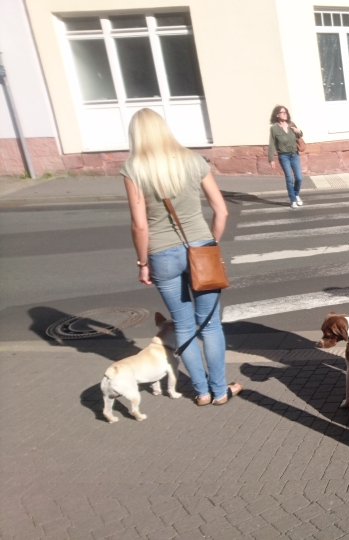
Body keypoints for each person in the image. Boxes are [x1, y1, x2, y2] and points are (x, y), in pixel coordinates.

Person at [122, 109, 242, 406]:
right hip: (200, 248)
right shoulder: (193, 160)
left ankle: (200, 392)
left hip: (161, 254)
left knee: (184, 325)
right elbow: (222, 210)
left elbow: (139, 224)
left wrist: (142, 262)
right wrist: (211, 243)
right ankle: (219, 391)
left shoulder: (133, 168)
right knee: (210, 325)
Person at [267, 105, 305, 210]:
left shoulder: (291, 125)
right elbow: (272, 144)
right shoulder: (274, 128)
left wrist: (298, 131)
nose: (285, 114)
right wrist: (271, 159)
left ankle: (296, 194)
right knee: (289, 178)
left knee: (299, 177)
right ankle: (293, 200)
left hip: (294, 154)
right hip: (283, 156)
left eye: (286, 112)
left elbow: (300, 136)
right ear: (277, 115)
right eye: (282, 112)